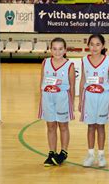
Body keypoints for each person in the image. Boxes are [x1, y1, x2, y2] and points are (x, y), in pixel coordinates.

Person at [80, 34, 109, 168]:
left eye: (98, 44)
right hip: (89, 97)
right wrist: (80, 100)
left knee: (101, 126)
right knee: (91, 126)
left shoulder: (108, 60)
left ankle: (102, 155)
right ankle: (91, 154)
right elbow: (82, 80)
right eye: (92, 44)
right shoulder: (84, 60)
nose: (94, 47)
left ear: (103, 46)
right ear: (88, 46)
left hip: (103, 96)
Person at [38, 38, 75, 167]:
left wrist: (72, 102)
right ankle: (51, 152)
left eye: (60, 49)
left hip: (62, 98)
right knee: (50, 126)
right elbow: (42, 81)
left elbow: (72, 85)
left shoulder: (69, 65)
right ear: (50, 49)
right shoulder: (45, 62)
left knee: (63, 126)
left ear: (65, 50)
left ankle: (63, 152)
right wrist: (41, 96)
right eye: (54, 48)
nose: (57, 51)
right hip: (48, 97)